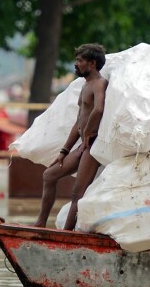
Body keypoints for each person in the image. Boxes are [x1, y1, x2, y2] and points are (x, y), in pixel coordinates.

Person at [34, 43, 108, 230]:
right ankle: (40, 223)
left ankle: (67, 233)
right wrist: (64, 151)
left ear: (92, 63)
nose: (76, 64)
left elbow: (99, 109)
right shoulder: (85, 86)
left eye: (80, 60)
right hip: (82, 146)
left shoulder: (99, 83)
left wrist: (89, 133)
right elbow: (78, 122)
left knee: (77, 193)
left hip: (93, 146)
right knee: (49, 175)